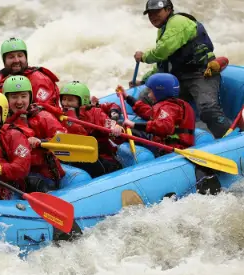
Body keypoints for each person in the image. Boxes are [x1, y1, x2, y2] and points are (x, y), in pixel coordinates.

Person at [131, 0, 231, 138]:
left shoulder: (177, 22)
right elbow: (163, 64)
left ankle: (229, 138)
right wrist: (144, 80)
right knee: (145, 99)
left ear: (168, 9)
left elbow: (162, 51)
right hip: (180, 78)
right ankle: (155, 137)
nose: (153, 17)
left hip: (201, 74)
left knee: (207, 108)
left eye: (157, 12)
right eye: (150, 14)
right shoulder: (163, 30)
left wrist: (143, 57)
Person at [2, 75, 67, 191]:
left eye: (23, 96)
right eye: (14, 97)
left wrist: (40, 142)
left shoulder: (42, 116)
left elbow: (63, 139)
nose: (19, 101)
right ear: (6, 99)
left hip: (43, 175)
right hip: (15, 173)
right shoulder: (1, 120)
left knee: (32, 182)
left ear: (30, 97)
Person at [59, 81, 125, 178]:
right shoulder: (60, 115)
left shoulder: (95, 113)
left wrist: (117, 129)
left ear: (82, 101)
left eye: (70, 100)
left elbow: (114, 132)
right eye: (63, 99)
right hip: (73, 158)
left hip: (100, 157)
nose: (65, 103)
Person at [123, 73, 195, 155]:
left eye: (151, 91)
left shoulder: (168, 108)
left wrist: (134, 125)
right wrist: (128, 98)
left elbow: (164, 126)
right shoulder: (172, 105)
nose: (148, 95)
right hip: (168, 144)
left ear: (160, 92)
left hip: (171, 149)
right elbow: (148, 112)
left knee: (123, 128)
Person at [0, 37, 62, 109]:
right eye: (11, 57)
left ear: (26, 57)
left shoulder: (39, 79)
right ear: (4, 61)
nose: (16, 60)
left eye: (20, 56)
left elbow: (46, 113)